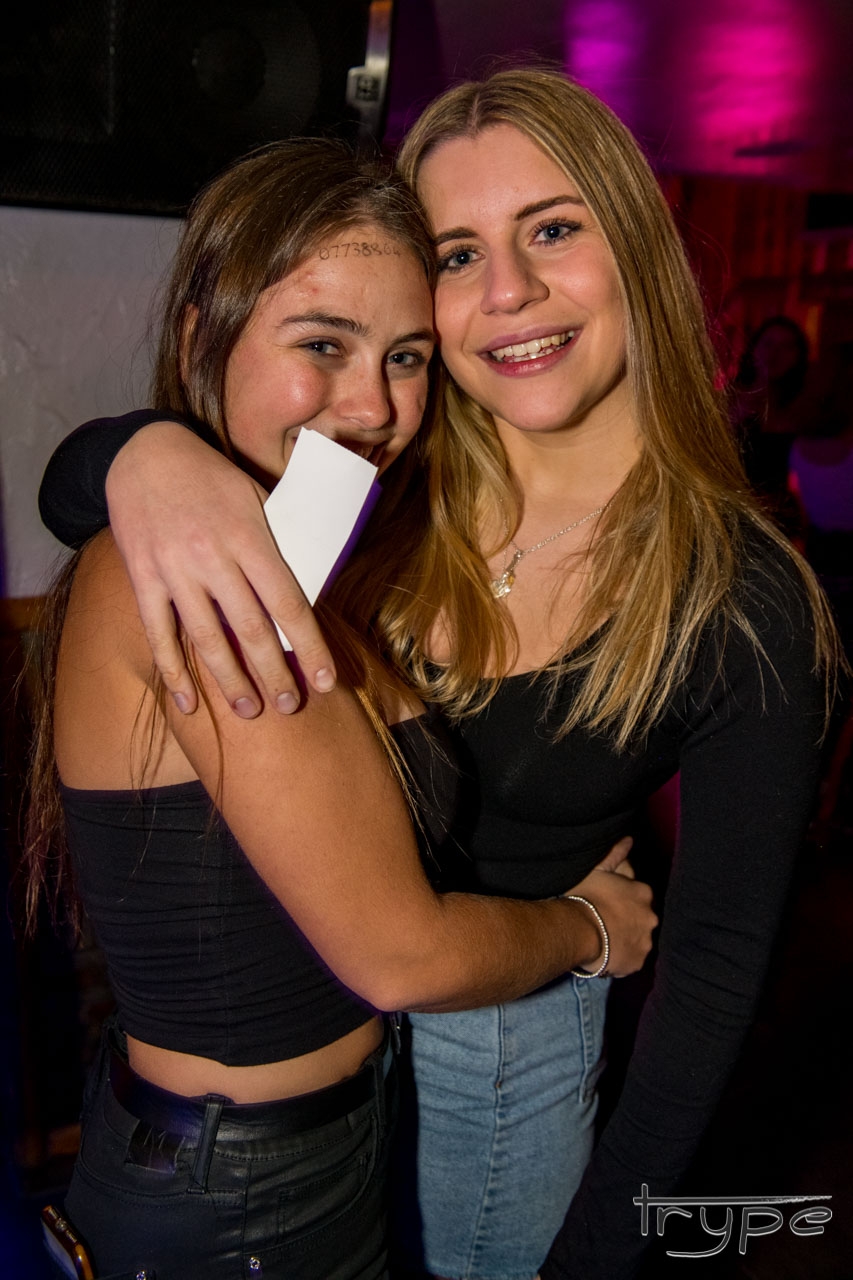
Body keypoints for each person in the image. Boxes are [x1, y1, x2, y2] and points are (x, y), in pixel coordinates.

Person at [37, 71, 837, 1280]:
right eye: (459, 253)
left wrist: (598, 1254)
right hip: (314, 1068)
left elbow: (713, 980)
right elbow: (97, 518)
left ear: (637, 246)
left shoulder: (742, 596)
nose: (507, 290)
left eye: (551, 230)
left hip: (503, 1052)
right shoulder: (376, 483)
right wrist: (139, 453)